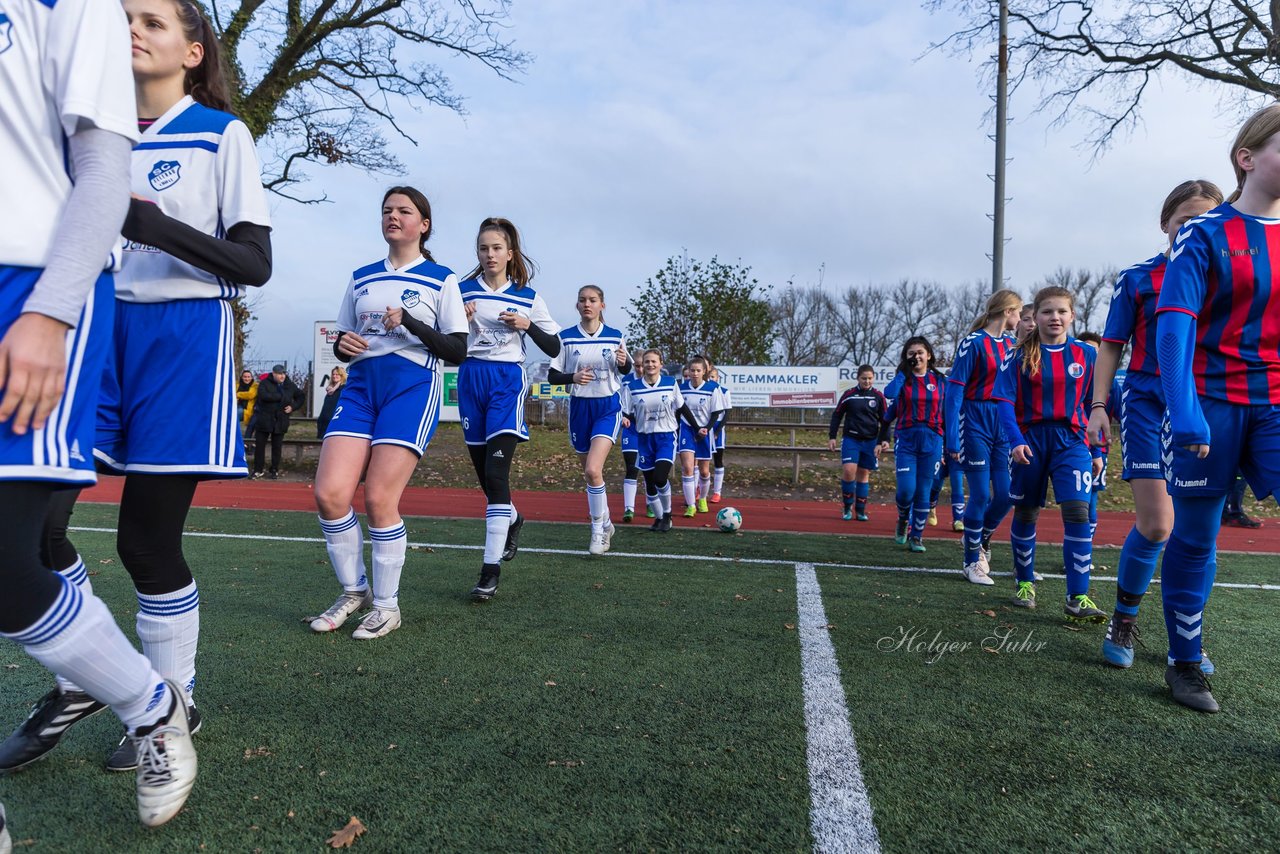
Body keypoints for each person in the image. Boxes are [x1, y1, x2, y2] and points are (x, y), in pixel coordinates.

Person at [2, 0, 273, 777]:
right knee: (37, 534)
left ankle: (173, 703)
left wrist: (151, 226)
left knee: (145, 544)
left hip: (180, 340)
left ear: (193, 51)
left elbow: (253, 265)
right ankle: (80, 678)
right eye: (125, 15)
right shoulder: (77, 126)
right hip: (90, 326)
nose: (131, 27)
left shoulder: (222, 134)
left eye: (152, 20)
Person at [0, 0, 195, 823]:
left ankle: (153, 705)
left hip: (31, 287)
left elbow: (104, 171)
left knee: (21, 559)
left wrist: (51, 310)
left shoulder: (68, 4)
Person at [1155, 106, 1280, 713]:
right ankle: (1184, 661)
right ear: (1247, 158)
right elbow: (1173, 328)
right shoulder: (1203, 234)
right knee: (1198, 536)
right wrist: (1184, 410)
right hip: (1211, 404)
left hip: (1276, 404)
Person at [309, 186, 468, 639]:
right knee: (330, 493)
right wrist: (344, 345)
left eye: (403, 211)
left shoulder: (442, 279)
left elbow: (456, 348)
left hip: (412, 389)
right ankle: (352, 591)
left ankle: (386, 606)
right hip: (360, 389)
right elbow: (343, 340)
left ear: (424, 223)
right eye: (386, 211)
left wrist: (412, 323)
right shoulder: (361, 277)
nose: (393, 217)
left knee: (379, 498)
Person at [1088, 180, 1224, 670]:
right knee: (1158, 523)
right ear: (1165, 222)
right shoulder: (1138, 278)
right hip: (1147, 404)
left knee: (1198, 533)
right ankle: (1123, 618)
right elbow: (1111, 346)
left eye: (1203, 219)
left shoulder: (1226, 274)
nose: (1191, 228)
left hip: (1209, 406)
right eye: (1183, 219)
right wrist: (1099, 405)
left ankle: (1186, 640)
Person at [457, 218, 560, 600]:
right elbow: (444, 342)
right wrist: (458, 321)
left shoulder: (527, 296)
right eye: (483, 248)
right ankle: (514, 517)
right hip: (471, 381)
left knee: (497, 473)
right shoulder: (460, 291)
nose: (489, 255)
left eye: (496, 248)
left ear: (509, 253)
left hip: (506, 383)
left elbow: (553, 347)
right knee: (487, 478)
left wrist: (527, 325)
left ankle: (489, 571)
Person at [993, 286, 1106, 623]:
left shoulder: (1088, 355)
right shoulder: (1017, 356)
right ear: (1035, 316)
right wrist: (1014, 441)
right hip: (1030, 441)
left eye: (1061, 312)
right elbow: (1003, 402)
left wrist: (1097, 449)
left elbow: (1093, 406)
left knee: (1077, 512)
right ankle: (1025, 582)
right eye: (1047, 312)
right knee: (1027, 512)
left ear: (1072, 316)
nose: (1054, 317)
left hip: (1072, 442)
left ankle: (1078, 596)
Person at [946, 289, 1022, 585]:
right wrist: (952, 437)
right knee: (980, 494)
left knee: (1005, 494)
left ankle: (981, 539)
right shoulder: (973, 343)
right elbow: (954, 390)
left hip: (1002, 422)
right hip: (974, 420)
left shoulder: (1013, 345)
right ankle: (970, 561)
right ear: (1007, 312)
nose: (1020, 317)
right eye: (1018, 312)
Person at [547, 286, 631, 554]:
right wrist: (572, 378)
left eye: (593, 300)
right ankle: (606, 521)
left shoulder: (615, 336)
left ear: (602, 305)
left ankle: (597, 531)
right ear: (577, 305)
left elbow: (626, 370)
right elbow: (552, 376)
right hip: (580, 409)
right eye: (582, 300)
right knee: (589, 474)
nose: (587, 304)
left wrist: (623, 361)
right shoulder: (566, 338)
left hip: (607, 407)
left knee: (594, 470)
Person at [622, 350, 698, 532]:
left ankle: (667, 514)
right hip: (644, 439)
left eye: (654, 361)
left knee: (659, 477)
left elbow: (682, 408)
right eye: (647, 361)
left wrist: (696, 428)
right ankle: (658, 518)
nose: (650, 365)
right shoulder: (632, 387)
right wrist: (624, 418)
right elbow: (625, 411)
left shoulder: (670, 383)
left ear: (661, 364)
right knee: (649, 482)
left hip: (665, 437)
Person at [883, 337, 947, 552]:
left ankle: (916, 536)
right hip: (907, 440)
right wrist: (903, 372)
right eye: (911, 353)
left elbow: (949, 413)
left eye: (920, 352)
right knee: (906, 491)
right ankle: (902, 519)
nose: (916, 356)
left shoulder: (940, 381)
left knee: (923, 491)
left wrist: (949, 445)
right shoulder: (903, 380)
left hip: (932, 441)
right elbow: (889, 394)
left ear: (928, 354)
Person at [828, 365, 891, 521]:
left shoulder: (878, 396)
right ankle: (847, 507)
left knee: (863, 475)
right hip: (851, 439)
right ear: (858, 378)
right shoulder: (849, 395)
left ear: (874, 378)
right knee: (849, 471)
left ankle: (861, 510)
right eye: (864, 378)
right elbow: (837, 415)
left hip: (870, 441)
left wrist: (884, 440)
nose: (867, 381)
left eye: (870, 378)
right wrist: (832, 436)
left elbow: (886, 420)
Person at [677, 356, 728, 518]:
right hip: (687, 430)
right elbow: (678, 410)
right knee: (687, 468)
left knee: (705, 472)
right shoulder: (681, 388)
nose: (695, 373)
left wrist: (706, 428)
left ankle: (703, 499)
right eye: (692, 370)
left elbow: (716, 412)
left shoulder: (712, 389)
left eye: (698, 370)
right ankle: (691, 505)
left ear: (704, 372)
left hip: (705, 432)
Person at [252, 365, 302, 478]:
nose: (282, 376)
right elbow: (263, 396)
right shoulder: (264, 383)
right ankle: (258, 469)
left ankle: (274, 470)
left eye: (284, 373)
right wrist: (281, 397)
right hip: (265, 420)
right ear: (273, 373)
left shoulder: (289, 385)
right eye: (280, 374)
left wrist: (292, 407)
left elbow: (300, 397)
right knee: (260, 446)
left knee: (277, 447)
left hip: (281, 420)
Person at [619, 348, 645, 521]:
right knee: (631, 467)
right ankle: (629, 508)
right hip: (631, 428)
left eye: (643, 365)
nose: (641, 369)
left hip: (650, 429)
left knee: (651, 469)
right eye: (637, 366)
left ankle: (651, 502)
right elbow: (618, 400)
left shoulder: (658, 382)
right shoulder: (626, 381)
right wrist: (622, 415)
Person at [708, 362, 731, 503]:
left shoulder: (724, 391)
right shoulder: (705, 390)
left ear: (717, 378)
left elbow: (727, 413)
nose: (711, 379)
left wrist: (717, 430)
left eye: (713, 377)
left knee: (718, 460)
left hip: (717, 429)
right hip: (705, 427)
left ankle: (717, 492)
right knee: (699, 462)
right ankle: (698, 489)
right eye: (709, 376)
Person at [316, 365, 347, 438]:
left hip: (335, 425)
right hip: (324, 424)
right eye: (333, 374)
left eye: (337, 374)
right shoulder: (330, 390)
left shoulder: (343, 390)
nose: (334, 376)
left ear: (342, 376)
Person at [236, 368, 257, 437]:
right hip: (237, 406)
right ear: (242, 377)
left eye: (248, 377)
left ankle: (236, 435)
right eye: (245, 377)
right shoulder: (237, 385)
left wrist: (237, 394)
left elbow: (250, 395)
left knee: (235, 414)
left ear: (251, 377)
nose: (247, 379)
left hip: (248, 409)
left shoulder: (255, 385)